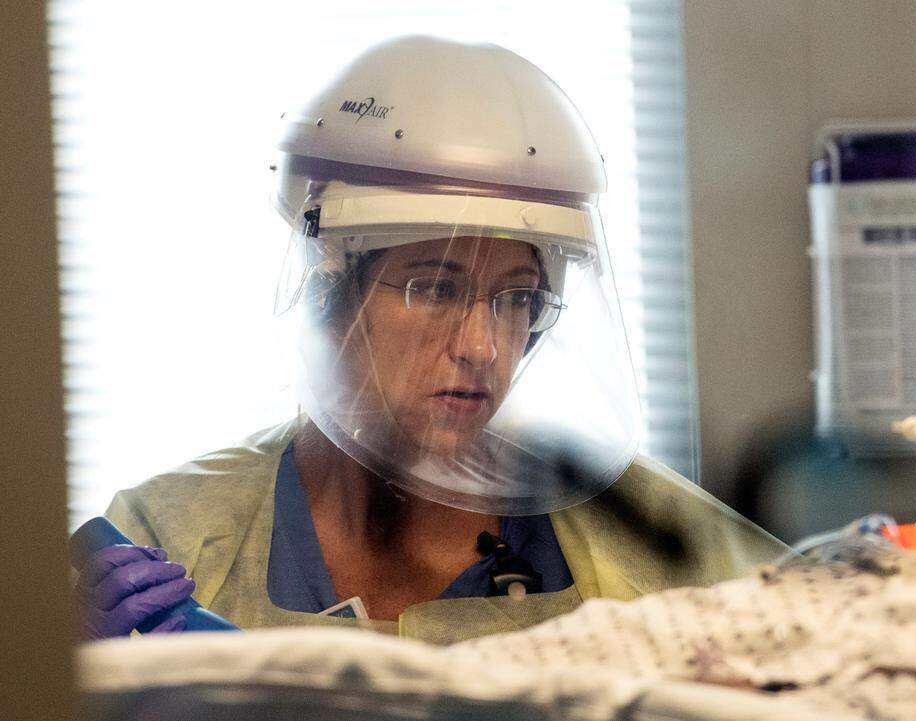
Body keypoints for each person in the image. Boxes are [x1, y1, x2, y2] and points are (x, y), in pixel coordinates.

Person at [75, 36, 785, 645]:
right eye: (436, 287)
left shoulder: (649, 537)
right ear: (329, 291)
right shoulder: (171, 538)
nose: (482, 344)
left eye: (517, 298)